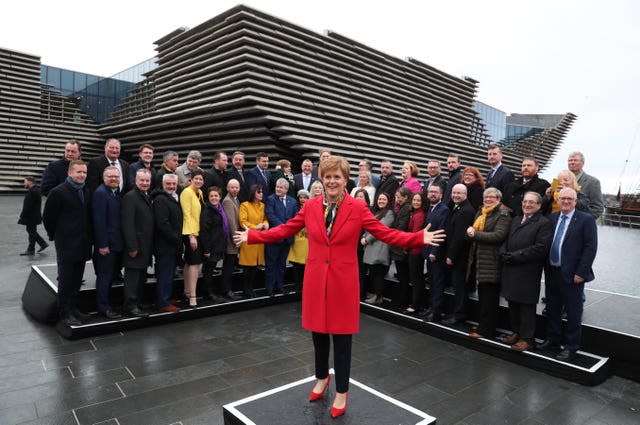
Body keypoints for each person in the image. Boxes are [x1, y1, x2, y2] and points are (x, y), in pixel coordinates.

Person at [233, 155, 444, 419]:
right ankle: (322, 378)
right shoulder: (310, 207)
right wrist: (253, 235)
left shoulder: (357, 208)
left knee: (342, 339)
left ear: (345, 180)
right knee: (318, 334)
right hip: (315, 281)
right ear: (322, 178)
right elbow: (285, 230)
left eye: (337, 177)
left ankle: (342, 391)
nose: (332, 181)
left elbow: (384, 232)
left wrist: (417, 237)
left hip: (343, 283)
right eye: (328, 176)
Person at [538, 188, 598, 361]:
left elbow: (590, 248)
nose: (565, 201)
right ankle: (552, 340)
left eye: (569, 199)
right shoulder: (552, 218)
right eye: (562, 198)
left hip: (573, 275)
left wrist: (581, 272)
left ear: (575, 200)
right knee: (553, 309)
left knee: (573, 312)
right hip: (552, 272)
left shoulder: (586, 220)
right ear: (557, 199)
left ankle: (571, 347)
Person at [500, 192, 552, 351]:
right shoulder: (516, 219)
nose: (527, 205)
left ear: (538, 205)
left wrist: (515, 256)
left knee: (526, 306)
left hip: (528, 270)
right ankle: (516, 333)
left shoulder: (543, 223)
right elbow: (507, 240)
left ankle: (527, 339)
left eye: (531, 202)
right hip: (511, 267)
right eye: (525, 201)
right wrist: (503, 252)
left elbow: (540, 248)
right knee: (513, 302)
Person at [42, 160, 93, 326]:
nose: (82, 175)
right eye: (79, 172)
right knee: (65, 280)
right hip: (66, 244)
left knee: (77, 280)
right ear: (70, 173)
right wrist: (56, 236)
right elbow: (48, 218)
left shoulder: (86, 190)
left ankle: (73, 308)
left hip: (83, 242)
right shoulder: (58, 192)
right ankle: (64, 313)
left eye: (84, 172)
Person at [466, 187, 512, 340]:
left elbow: (499, 235)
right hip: (480, 260)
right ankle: (483, 325)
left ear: (498, 199)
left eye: (491, 197)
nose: (488, 199)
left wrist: (475, 234)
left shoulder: (503, 214)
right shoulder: (482, 211)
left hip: (492, 261)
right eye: (486, 197)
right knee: (483, 296)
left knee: (490, 299)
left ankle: (486, 330)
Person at [91, 167, 124, 319]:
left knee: (110, 276)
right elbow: (99, 222)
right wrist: (102, 245)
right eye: (110, 176)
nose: (113, 179)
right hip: (107, 245)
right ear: (104, 177)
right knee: (104, 277)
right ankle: (103, 307)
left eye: (116, 176)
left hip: (116, 243)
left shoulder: (115, 192)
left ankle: (107, 304)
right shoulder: (100, 193)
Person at [121, 168, 154, 317]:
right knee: (132, 278)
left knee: (141, 277)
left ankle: (137, 302)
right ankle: (130, 305)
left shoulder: (147, 195)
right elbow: (127, 224)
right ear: (136, 180)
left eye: (147, 180)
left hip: (145, 246)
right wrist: (132, 246)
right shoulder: (130, 197)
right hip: (135, 246)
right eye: (142, 180)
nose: (145, 183)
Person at [442, 184, 476, 325]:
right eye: (454, 192)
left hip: (460, 257)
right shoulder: (459, 208)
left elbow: (459, 236)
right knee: (457, 286)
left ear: (465, 194)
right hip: (457, 255)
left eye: (459, 193)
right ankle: (457, 312)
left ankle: (459, 314)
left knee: (460, 286)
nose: (455, 195)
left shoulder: (466, 211)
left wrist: (451, 256)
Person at [153, 173, 183, 313]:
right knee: (164, 274)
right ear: (163, 184)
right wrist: (177, 238)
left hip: (171, 244)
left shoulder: (173, 198)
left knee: (169, 273)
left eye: (173, 184)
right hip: (164, 245)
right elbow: (162, 223)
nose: (171, 186)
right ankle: (163, 302)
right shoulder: (160, 199)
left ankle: (167, 297)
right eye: (168, 184)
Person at [421, 184, 450, 321]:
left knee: (437, 283)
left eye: (435, 192)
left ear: (441, 195)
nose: (432, 194)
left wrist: (434, 251)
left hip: (436, 253)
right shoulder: (430, 209)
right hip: (428, 251)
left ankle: (436, 311)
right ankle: (431, 307)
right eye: (431, 192)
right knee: (431, 282)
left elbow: (442, 231)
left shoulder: (444, 210)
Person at [264, 178, 298, 295]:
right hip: (274, 238)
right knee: (271, 264)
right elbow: (271, 216)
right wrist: (285, 227)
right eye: (277, 187)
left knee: (282, 264)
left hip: (287, 239)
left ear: (286, 189)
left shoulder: (292, 201)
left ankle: (280, 286)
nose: (278, 189)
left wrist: (289, 229)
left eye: (281, 187)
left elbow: (295, 218)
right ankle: (270, 288)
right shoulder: (270, 199)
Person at [363, 192, 395, 305]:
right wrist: (364, 236)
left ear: (388, 201)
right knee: (373, 273)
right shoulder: (377, 212)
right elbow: (368, 227)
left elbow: (380, 230)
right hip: (372, 247)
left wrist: (367, 239)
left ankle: (378, 297)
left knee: (378, 273)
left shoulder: (389, 213)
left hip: (380, 247)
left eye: (384, 199)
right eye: (380, 199)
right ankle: (376, 294)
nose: (381, 201)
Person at [200, 186, 230, 303]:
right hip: (210, 246)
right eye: (211, 196)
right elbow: (204, 231)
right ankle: (209, 293)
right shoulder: (207, 210)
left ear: (220, 197)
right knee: (208, 271)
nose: (213, 198)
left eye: (216, 196)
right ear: (208, 196)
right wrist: (207, 249)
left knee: (211, 270)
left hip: (218, 244)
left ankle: (209, 291)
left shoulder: (219, 208)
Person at [180, 168, 205, 308]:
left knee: (189, 263)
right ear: (191, 179)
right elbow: (187, 215)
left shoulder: (199, 193)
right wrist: (191, 236)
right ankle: (193, 297)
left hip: (197, 232)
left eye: (201, 179)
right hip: (191, 234)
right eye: (196, 178)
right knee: (195, 264)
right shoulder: (187, 192)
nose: (198, 181)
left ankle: (187, 291)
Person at [238, 184, 269, 298]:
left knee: (255, 267)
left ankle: (250, 289)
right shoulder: (244, 205)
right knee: (247, 267)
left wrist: (266, 223)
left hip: (259, 239)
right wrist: (257, 226)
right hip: (248, 239)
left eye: (262, 192)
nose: (261, 194)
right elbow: (243, 222)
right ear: (253, 193)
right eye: (259, 192)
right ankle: (246, 290)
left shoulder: (263, 205)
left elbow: (265, 219)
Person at [390, 187, 412, 310]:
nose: (397, 199)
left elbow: (401, 227)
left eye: (399, 197)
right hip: (399, 245)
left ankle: (402, 300)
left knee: (403, 276)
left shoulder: (406, 209)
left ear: (405, 197)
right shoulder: (403, 208)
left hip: (400, 246)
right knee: (402, 275)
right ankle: (401, 298)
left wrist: (392, 234)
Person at [405, 192, 427, 314]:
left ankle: (415, 305)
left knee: (416, 279)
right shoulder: (415, 213)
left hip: (415, 251)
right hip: (414, 250)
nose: (416, 202)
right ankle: (417, 303)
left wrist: (406, 246)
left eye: (418, 200)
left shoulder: (419, 215)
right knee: (416, 278)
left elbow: (415, 234)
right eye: (414, 200)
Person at [221, 179, 242, 300]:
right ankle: (226, 290)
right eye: (232, 187)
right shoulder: (228, 201)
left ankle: (228, 289)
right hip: (231, 241)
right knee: (228, 267)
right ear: (228, 188)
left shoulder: (235, 199)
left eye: (236, 187)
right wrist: (236, 239)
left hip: (234, 239)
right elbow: (231, 223)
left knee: (231, 265)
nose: (234, 189)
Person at [568, 151, 604, 219]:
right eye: (570, 160)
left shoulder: (593, 182)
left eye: (575, 160)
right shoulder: (561, 180)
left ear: (582, 163)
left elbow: (598, 208)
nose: (572, 162)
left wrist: (584, 222)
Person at [18, 176, 48, 255]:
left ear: (30, 182)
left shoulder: (33, 191)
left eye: (25, 181)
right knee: (31, 231)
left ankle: (31, 249)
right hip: (33, 216)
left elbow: (28, 206)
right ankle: (42, 244)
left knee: (31, 232)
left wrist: (22, 215)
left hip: (31, 217)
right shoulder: (34, 190)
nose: (24, 183)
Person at [287, 189, 310, 292]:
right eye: (300, 197)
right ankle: (297, 286)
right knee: (296, 265)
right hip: (297, 238)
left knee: (306, 265)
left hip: (307, 239)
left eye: (305, 197)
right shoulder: (294, 207)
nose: (302, 199)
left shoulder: (311, 208)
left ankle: (305, 286)